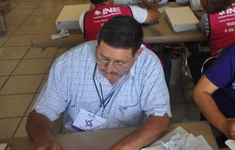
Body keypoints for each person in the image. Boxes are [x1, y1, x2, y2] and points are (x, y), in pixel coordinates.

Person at [26, 15, 171, 150]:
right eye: (103, 58)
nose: (109, 69)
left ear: (138, 54)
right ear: (97, 43)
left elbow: (160, 119)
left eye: (120, 63)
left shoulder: (148, 64)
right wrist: (44, 140)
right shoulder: (68, 64)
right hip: (79, 141)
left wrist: (121, 148)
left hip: (130, 140)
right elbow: (40, 115)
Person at [79, 0, 160, 40]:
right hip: (127, 57)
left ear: (89, 0)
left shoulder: (83, 18)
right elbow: (156, 15)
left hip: (101, 58)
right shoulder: (131, 11)